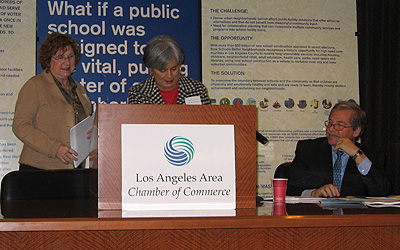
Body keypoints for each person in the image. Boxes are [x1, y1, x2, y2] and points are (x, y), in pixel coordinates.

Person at [12, 32, 93, 170]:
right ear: (49, 60)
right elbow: (20, 126)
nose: (66, 62)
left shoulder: (80, 90)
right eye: (60, 58)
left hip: (73, 168)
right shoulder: (35, 85)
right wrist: (54, 148)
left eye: (70, 57)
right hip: (39, 169)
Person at [286, 101, 391, 197]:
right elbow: (290, 188)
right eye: (330, 123)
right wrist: (313, 193)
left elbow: (382, 191)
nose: (331, 129)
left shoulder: (372, 156)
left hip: (354, 216)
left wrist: (356, 154)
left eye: (339, 125)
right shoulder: (308, 150)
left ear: (356, 131)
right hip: (317, 215)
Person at [128, 35, 211, 105]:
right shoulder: (138, 94)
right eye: (162, 71)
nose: (169, 76)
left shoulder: (197, 90)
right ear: (151, 70)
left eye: (174, 69)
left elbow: (209, 122)